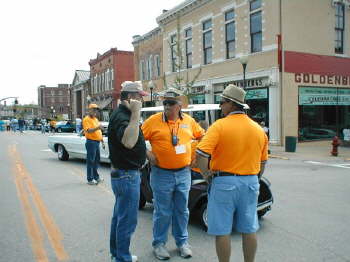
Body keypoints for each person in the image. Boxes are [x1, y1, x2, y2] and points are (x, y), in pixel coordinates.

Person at [196, 84, 268, 262]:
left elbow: (201, 153)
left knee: (222, 230)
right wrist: (255, 178)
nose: (220, 106)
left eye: (222, 102)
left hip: (224, 182)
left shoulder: (220, 126)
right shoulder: (258, 129)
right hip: (250, 181)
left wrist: (206, 174)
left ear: (231, 104)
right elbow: (263, 161)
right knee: (249, 228)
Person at [142, 88, 205, 260]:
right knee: (163, 211)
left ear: (180, 105)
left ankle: (182, 242)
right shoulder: (153, 121)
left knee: (182, 210)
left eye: (170, 103)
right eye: (164, 102)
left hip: (184, 173)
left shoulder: (190, 122)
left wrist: (196, 156)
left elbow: (203, 136)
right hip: (161, 174)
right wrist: (148, 154)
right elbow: (137, 139)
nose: (166, 106)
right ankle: (159, 244)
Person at [107, 81, 148, 262]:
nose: (142, 100)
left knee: (120, 217)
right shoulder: (124, 115)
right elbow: (129, 142)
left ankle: (117, 254)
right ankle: (122, 258)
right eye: (140, 97)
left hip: (124, 174)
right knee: (127, 220)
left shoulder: (123, 114)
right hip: (126, 175)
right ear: (131, 98)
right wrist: (136, 112)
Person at [83, 103, 105, 185]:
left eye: (96, 110)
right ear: (90, 110)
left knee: (96, 161)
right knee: (91, 161)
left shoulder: (95, 119)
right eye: (94, 109)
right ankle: (90, 179)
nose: (95, 111)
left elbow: (99, 132)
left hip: (97, 142)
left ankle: (96, 177)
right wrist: (98, 127)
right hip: (91, 142)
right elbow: (88, 130)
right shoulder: (86, 119)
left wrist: (102, 141)